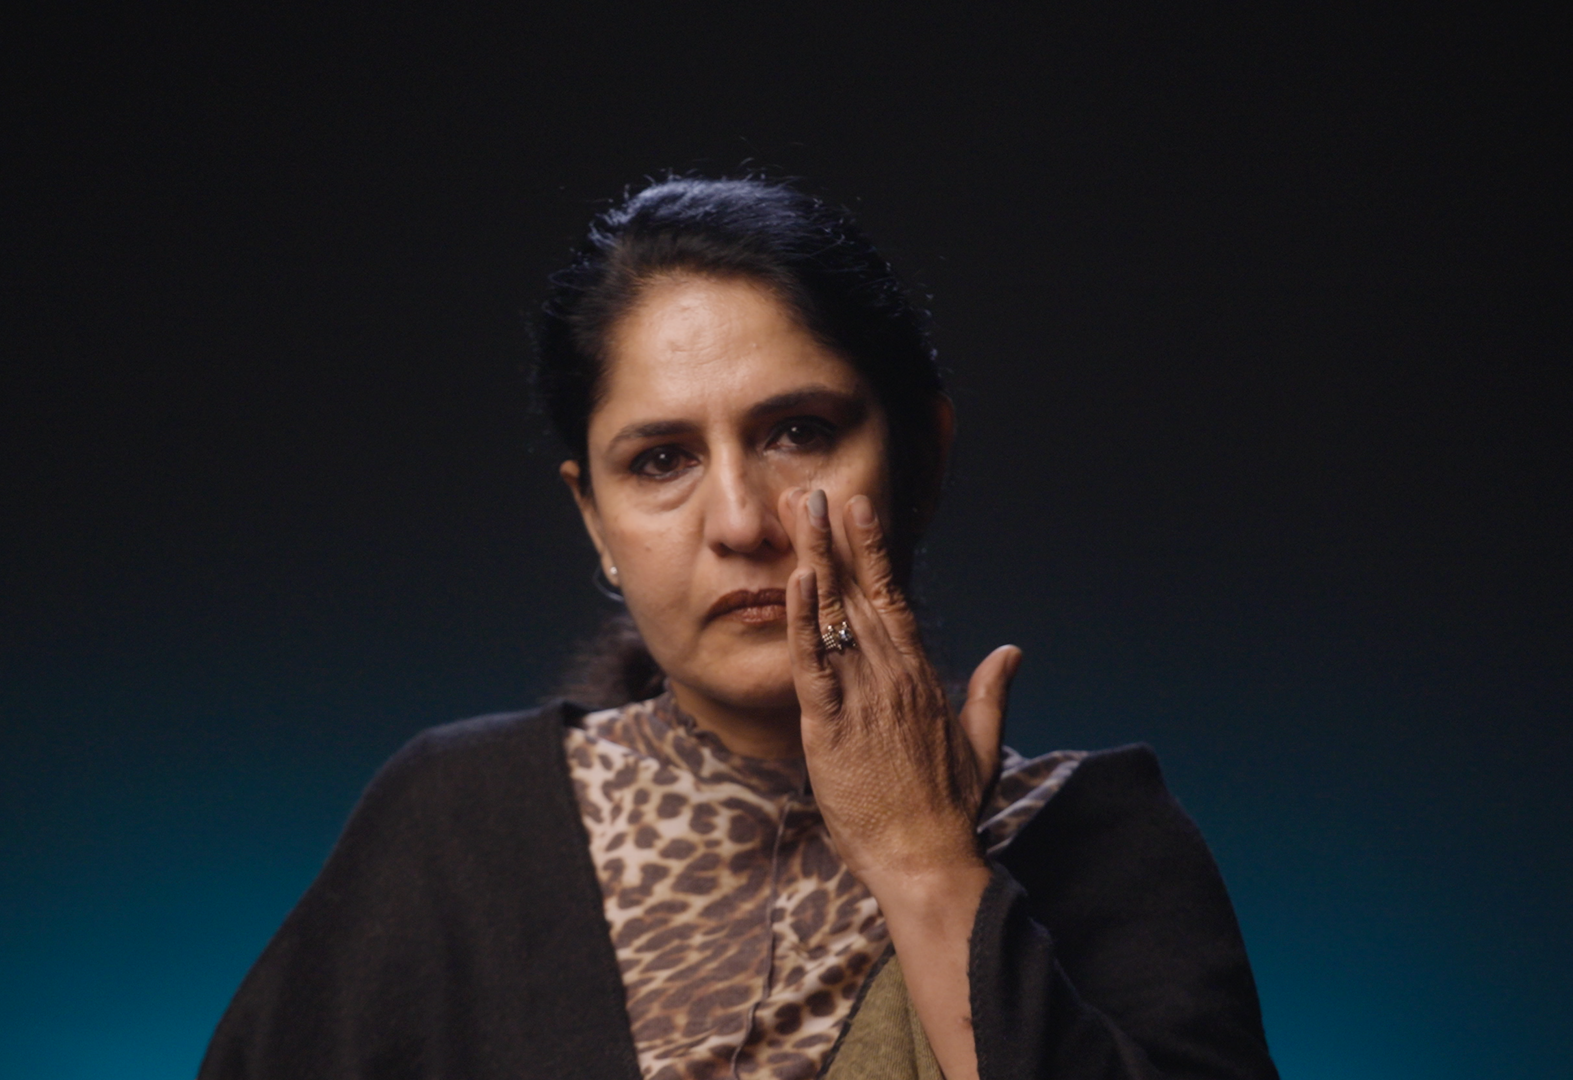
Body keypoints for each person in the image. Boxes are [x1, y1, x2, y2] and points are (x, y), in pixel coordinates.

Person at [198, 177, 1278, 1080]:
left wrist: (923, 859)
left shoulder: (1093, 839)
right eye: (661, 460)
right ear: (595, 519)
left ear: (922, 461)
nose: (742, 522)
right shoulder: (459, 828)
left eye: (799, 432)